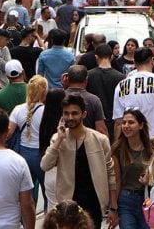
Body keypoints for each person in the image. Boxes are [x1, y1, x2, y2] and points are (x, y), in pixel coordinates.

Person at [40, 94, 118, 229]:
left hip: (94, 204)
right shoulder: (58, 139)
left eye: (75, 113)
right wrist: (59, 140)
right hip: (68, 207)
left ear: (84, 114)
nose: (70, 117)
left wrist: (113, 207)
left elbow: (110, 174)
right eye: (66, 113)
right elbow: (45, 165)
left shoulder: (100, 139)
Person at [111, 109, 154, 229]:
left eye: (131, 122)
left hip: (148, 199)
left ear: (141, 125)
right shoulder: (117, 149)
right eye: (124, 122)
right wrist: (113, 208)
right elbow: (116, 180)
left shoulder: (153, 147)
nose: (126, 126)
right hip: (126, 200)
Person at [7, 75, 47, 206]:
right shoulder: (46, 111)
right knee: (47, 192)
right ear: (44, 91)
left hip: (23, 153)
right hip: (42, 154)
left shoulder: (18, 109)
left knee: (26, 194)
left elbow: (8, 133)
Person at [87, 44, 127, 142]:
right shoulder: (122, 77)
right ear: (112, 57)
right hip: (115, 123)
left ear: (96, 57)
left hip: (93, 123)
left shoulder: (88, 75)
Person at [62, 65, 108, 136]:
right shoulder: (94, 100)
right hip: (87, 142)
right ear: (86, 79)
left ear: (67, 79)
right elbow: (101, 129)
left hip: (63, 141)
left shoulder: (59, 97)